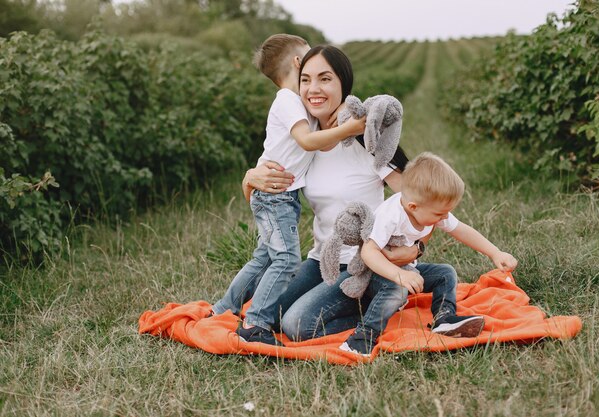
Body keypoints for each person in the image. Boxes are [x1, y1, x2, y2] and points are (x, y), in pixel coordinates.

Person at [241, 44, 418, 340]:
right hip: (321, 260)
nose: (313, 89)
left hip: (365, 262)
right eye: (306, 80)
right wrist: (249, 180)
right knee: (270, 315)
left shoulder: (364, 139)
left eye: (325, 79)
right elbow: (266, 206)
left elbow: (417, 200)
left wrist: (415, 248)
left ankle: (380, 300)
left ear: (343, 84)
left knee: (297, 325)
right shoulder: (303, 144)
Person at [210, 35, 365, 346]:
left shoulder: (297, 102)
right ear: (298, 62)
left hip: (279, 196)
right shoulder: (287, 100)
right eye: (309, 60)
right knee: (285, 260)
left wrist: (348, 107)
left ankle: (224, 309)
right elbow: (307, 142)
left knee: (264, 258)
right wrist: (349, 128)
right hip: (275, 195)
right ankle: (255, 324)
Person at [338, 152, 518, 356]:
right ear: (413, 206)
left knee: (445, 273)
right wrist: (399, 275)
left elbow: (461, 229)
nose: (444, 218)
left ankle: (444, 319)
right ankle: (362, 337)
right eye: (440, 214)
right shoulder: (390, 216)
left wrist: (495, 253)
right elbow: (369, 253)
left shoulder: (427, 208)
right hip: (376, 274)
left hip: (404, 270)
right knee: (397, 289)